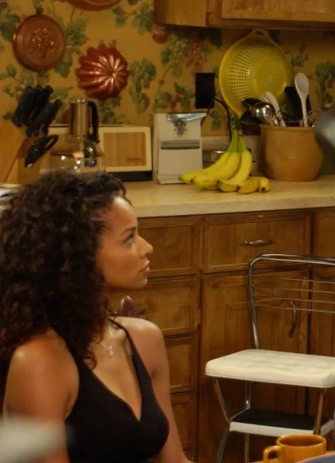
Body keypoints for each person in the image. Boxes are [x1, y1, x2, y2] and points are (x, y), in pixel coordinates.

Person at [0, 171, 192, 463]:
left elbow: (175, 460)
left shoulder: (145, 340)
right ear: (78, 257)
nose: (147, 248)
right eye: (129, 238)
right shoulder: (40, 363)